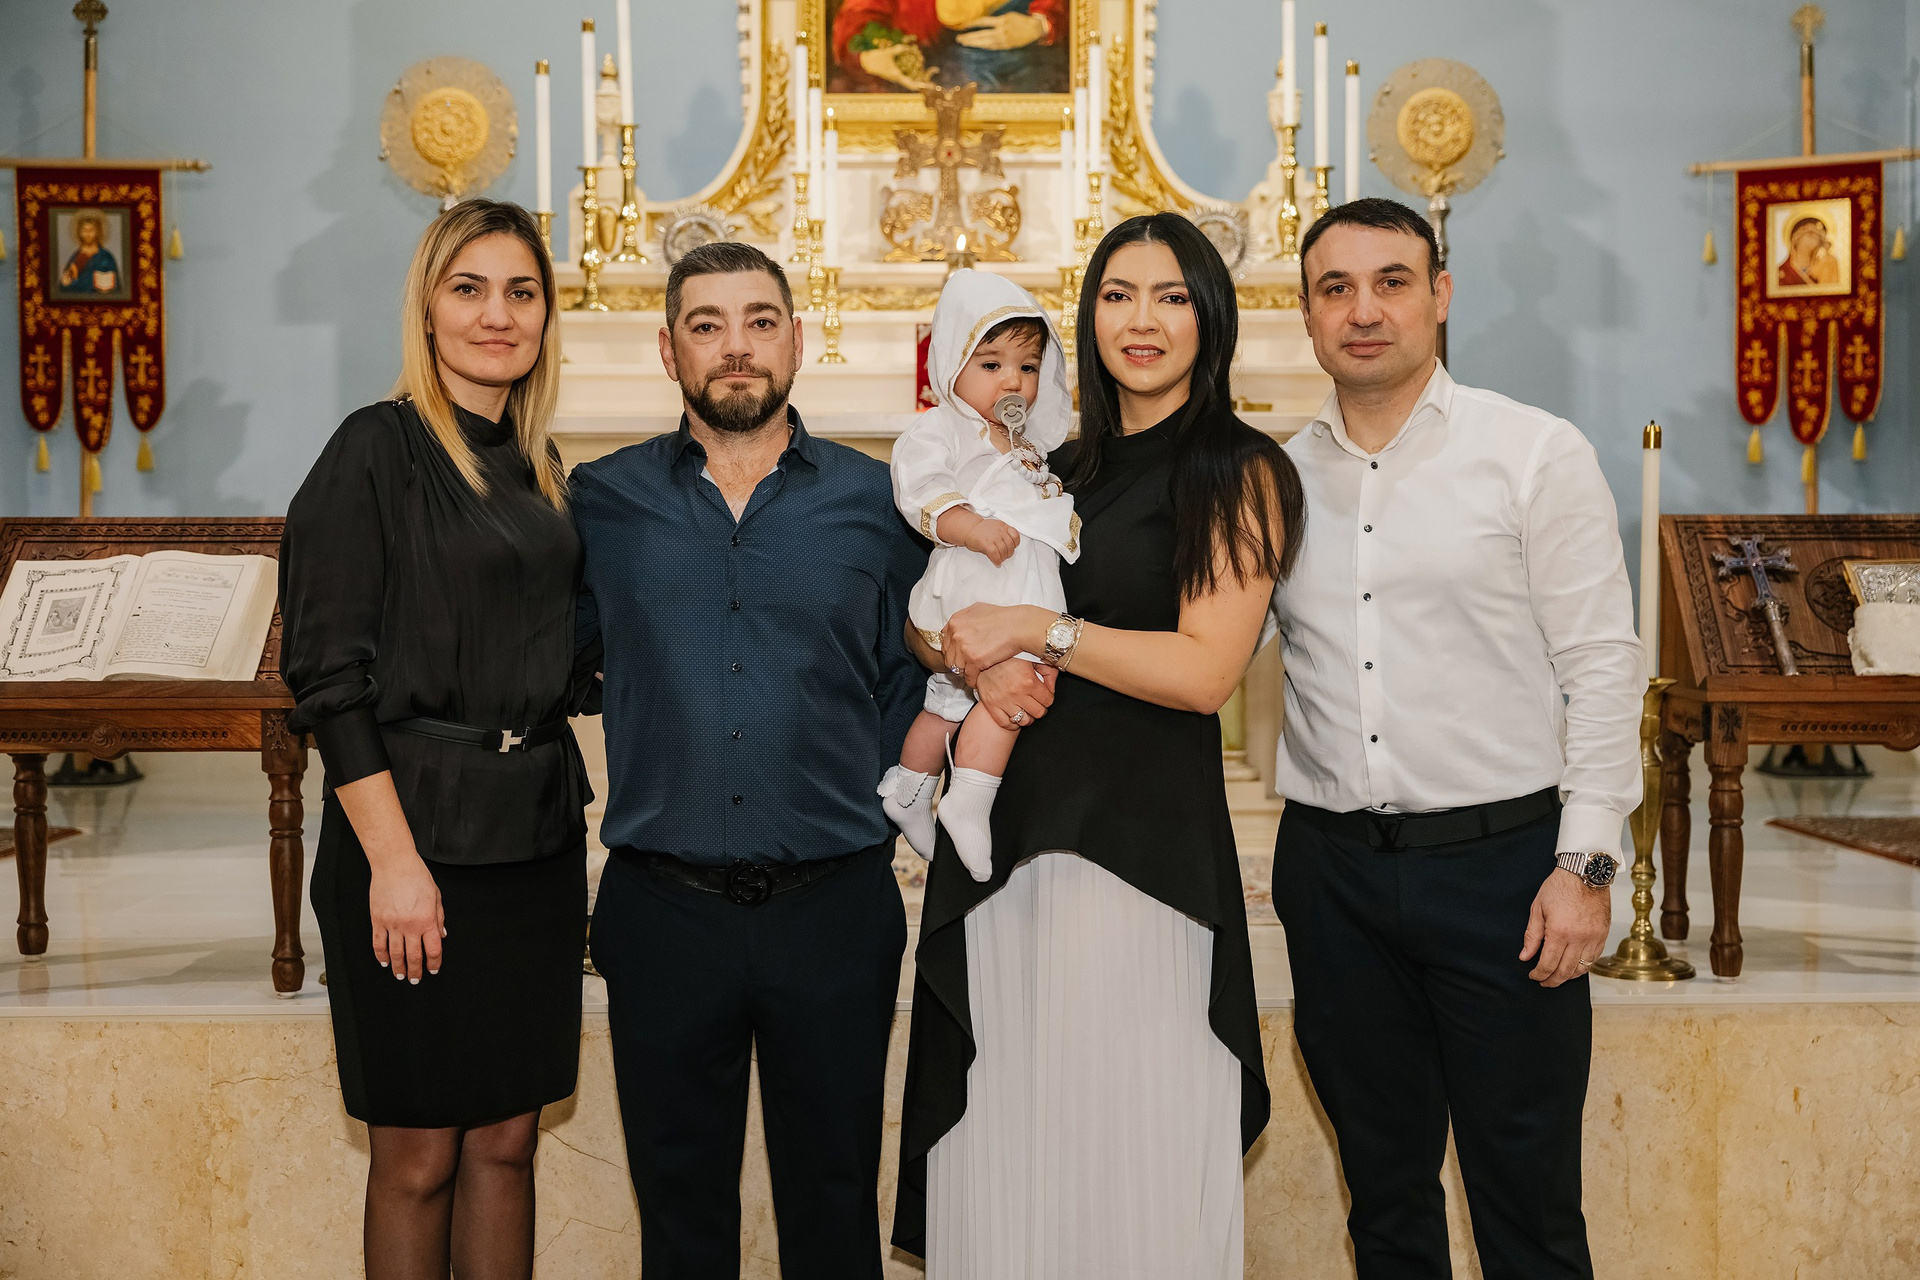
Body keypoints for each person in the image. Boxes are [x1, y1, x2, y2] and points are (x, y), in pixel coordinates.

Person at [895, 212, 1305, 1278]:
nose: (1142, 319)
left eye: (1172, 296)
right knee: (1016, 1139)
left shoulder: (1238, 471)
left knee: (1130, 1147)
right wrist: (964, 651)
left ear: (1210, 318)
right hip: (1008, 843)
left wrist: (1040, 631)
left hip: (1138, 853)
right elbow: (942, 611)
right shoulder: (1045, 466)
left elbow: (1205, 672)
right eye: (1119, 294)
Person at [1271, 196, 1644, 1279]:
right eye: (1336, 288)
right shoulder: (1275, 480)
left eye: (1391, 281)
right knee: (1385, 1201)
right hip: (1333, 878)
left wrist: (1586, 864)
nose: (1364, 310)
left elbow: (1601, 663)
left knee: (1526, 1205)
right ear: (1307, 314)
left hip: (1503, 875)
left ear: (1439, 294)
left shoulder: (1531, 452)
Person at [570, 240, 927, 1280]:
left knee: (834, 1209)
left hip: (834, 910)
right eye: (708, 324)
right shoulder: (601, 501)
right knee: (679, 1223)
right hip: (662, 912)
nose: (737, 346)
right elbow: (561, 659)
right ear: (669, 349)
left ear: (797, 340)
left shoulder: (880, 501)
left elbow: (911, 676)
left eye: (760, 321)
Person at [280, 199, 590, 1280]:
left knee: (507, 1141)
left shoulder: (541, 466)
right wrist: (395, 863)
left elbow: (567, 653)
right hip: (411, 843)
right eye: (469, 288)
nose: (497, 314)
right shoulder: (375, 448)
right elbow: (329, 680)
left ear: (546, 315)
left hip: (535, 842)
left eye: (521, 292)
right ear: (426, 307)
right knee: (417, 1154)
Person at [881, 269, 1078, 877]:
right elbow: (919, 487)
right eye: (991, 365)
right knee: (1013, 688)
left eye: (1027, 366)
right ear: (951, 363)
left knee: (945, 706)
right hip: (976, 583)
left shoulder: (1025, 444)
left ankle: (909, 787)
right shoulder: (940, 428)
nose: (1012, 381)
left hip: (1015, 587)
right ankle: (969, 796)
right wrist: (969, 525)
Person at [57, 210, 119, 295]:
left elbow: (115, 285)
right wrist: (65, 283)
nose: (87, 233)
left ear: (97, 232)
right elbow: (64, 284)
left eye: (91, 230)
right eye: (84, 230)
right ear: (79, 232)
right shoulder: (76, 256)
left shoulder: (105, 256)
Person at [1778, 214, 1840, 287]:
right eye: (1810, 235)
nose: (1814, 241)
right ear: (1796, 238)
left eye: (1819, 238)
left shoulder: (1826, 266)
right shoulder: (1780, 273)